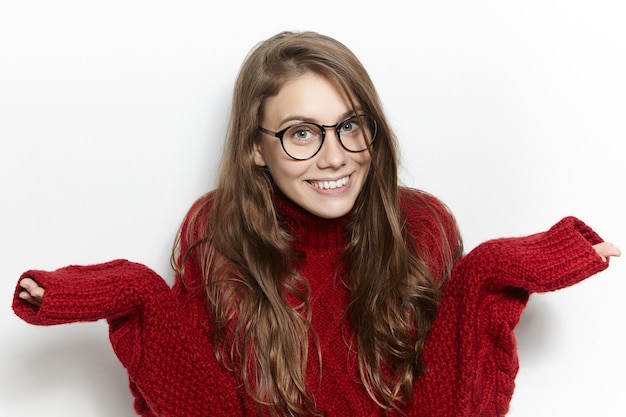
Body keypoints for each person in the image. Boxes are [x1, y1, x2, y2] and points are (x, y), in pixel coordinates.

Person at [13, 30, 620, 417]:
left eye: (351, 125)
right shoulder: (217, 238)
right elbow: (201, 405)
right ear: (256, 147)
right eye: (301, 133)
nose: (334, 155)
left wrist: (492, 270)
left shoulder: (421, 225)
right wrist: (133, 291)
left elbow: (456, 404)